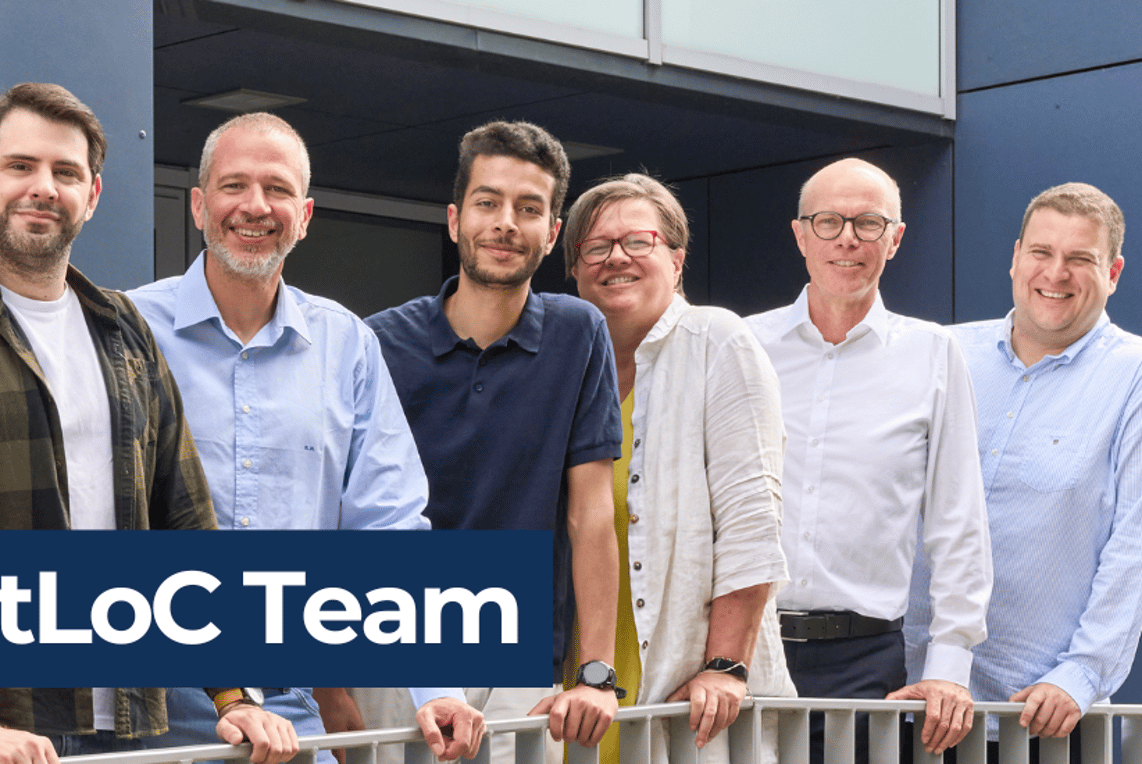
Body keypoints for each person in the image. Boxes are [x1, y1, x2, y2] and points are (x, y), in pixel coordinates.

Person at [0, 82, 298, 764]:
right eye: (20, 166)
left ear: (91, 196)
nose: (43, 188)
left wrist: (234, 697)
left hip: (125, 718)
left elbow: (186, 523)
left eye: (65, 173)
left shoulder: (124, 330)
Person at [128, 112, 485, 764]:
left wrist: (434, 689)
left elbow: (390, 526)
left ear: (307, 213)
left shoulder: (347, 344)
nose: (256, 206)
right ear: (200, 206)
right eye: (234, 186)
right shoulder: (126, 329)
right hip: (142, 715)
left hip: (288, 716)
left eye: (278, 189)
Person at [361, 119, 622, 760]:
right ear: (455, 221)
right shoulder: (377, 343)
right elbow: (348, 513)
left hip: (516, 650)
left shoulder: (579, 334)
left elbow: (591, 515)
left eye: (528, 208)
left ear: (552, 233)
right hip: (393, 642)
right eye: (488, 202)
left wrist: (595, 674)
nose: (506, 222)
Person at [743, 158, 991, 757]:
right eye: (828, 222)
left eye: (869, 223)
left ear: (896, 239)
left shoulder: (935, 354)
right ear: (800, 235)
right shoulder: (742, 344)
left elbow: (959, 522)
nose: (847, 238)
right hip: (742, 651)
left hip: (865, 664)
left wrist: (950, 665)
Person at [564, 173, 797, 761]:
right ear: (574, 269)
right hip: (578, 678)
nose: (616, 258)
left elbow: (752, 519)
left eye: (637, 242)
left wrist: (725, 665)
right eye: (596, 247)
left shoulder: (718, 341)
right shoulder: (563, 367)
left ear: (676, 258)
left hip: (687, 689)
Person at [905, 182, 1142, 756]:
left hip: (1038, 718)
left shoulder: (1134, 376)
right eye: (1041, 252)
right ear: (1015, 256)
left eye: (1080, 259)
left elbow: (1134, 542)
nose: (1055, 273)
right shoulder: (942, 353)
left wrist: (1082, 674)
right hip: (906, 700)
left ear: (1112, 271)